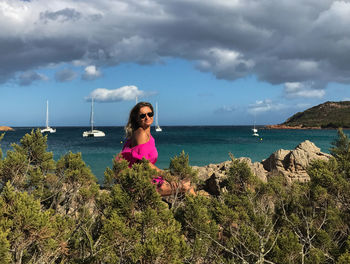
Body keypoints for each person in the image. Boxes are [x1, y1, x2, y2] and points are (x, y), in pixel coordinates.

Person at [119, 102, 195, 196]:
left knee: (186, 182)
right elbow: (144, 164)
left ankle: (198, 207)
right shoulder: (140, 134)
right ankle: (200, 208)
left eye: (150, 114)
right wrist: (168, 176)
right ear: (137, 119)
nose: (147, 117)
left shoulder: (147, 135)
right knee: (185, 186)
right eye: (143, 115)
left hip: (147, 176)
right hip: (138, 182)